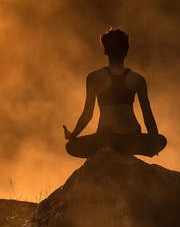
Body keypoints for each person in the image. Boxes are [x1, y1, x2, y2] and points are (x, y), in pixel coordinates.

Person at [63, 28, 167, 158]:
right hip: (132, 139)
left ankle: (109, 152)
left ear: (105, 51)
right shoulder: (137, 78)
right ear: (126, 51)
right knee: (162, 140)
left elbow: (87, 115)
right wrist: (155, 143)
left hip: (106, 139)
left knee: (71, 147)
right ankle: (128, 151)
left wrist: (72, 136)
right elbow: (148, 117)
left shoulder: (94, 77)